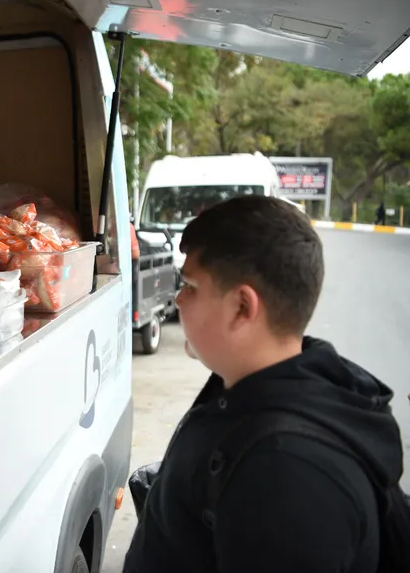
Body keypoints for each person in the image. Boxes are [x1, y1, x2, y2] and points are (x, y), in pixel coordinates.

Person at [123, 195, 405, 572]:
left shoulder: (287, 476)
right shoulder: (258, 387)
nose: (178, 299)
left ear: (243, 307)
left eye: (189, 285)